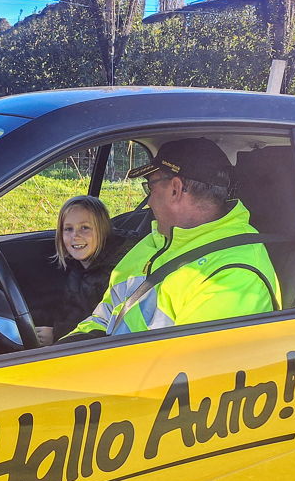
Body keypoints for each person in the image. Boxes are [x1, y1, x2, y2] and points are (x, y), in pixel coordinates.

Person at [66, 137, 281, 340]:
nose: (149, 202)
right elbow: (103, 317)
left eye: (150, 188)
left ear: (175, 190)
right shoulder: (156, 241)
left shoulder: (233, 276)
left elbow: (183, 363)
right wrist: (68, 348)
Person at [36, 196, 131, 345]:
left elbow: (103, 326)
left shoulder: (113, 274)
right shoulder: (78, 267)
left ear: (102, 230)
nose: (75, 236)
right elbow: (68, 311)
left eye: (85, 228)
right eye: (68, 229)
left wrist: (57, 334)